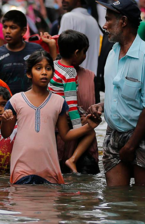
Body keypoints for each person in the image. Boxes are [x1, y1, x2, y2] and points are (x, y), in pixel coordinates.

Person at [91, 0, 145, 186]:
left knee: (144, 203)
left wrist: (131, 145)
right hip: (114, 132)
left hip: (143, 134)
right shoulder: (112, 53)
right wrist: (102, 105)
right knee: (116, 201)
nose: (105, 25)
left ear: (123, 21)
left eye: (108, 20)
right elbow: (119, 93)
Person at [1, 50, 100, 184]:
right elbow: (6, 133)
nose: (44, 72)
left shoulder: (59, 102)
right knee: (22, 202)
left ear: (53, 74)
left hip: (49, 168)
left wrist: (89, 127)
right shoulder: (16, 100)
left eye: (48, 68)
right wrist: (5, 121)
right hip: (22, 168)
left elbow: (65, 135)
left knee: (47, 203)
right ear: (29, 74)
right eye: (38, 68)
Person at [47, 30, 98, 173]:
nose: (84, 56)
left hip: (51, 114)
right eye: (84, 52)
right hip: (64, 115)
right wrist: (77, 128)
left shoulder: (54, 64)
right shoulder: (70, 73)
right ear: (76, 53)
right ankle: (73, 160)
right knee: (90, 133)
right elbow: (71, 103)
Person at [0, 10, 43, 94]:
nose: (7, 31)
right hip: (7, 104)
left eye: (13, 27)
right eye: (5, 27)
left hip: (33, 103)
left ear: (23, 31)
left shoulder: (36, 50)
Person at [58, 0, 100, 76]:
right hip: (91, 79)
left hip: (70, 79)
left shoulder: (68, 17)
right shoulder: (93, 21)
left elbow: (61, 51)